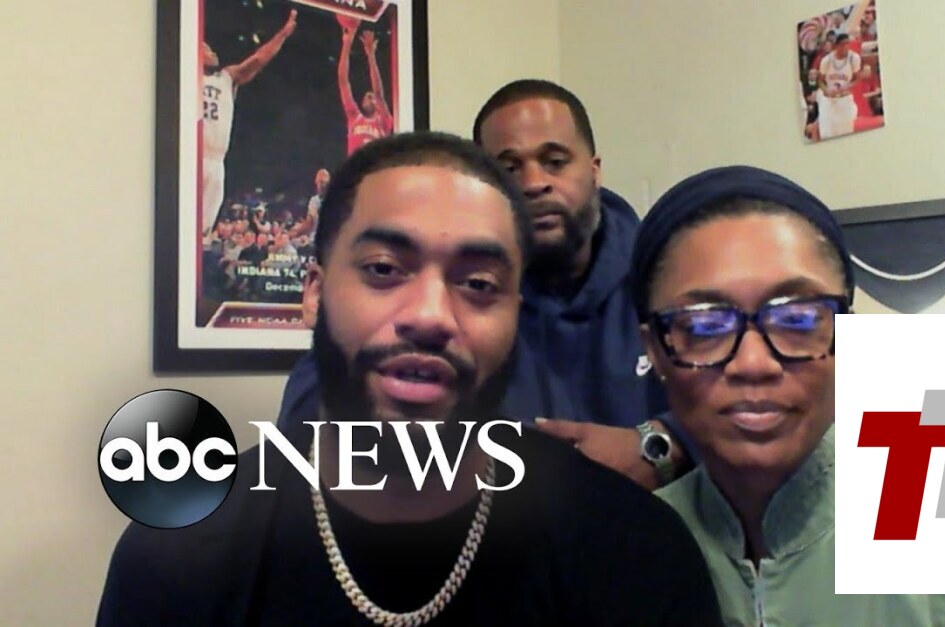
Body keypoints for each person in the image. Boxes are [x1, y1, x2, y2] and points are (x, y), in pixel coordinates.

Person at [97, 132, 722, 626]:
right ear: (313, 294)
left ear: (515, 317)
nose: (430, 316)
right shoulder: (181, 553)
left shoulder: (630, 547)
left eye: (478, 284)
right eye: (383, 269)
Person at [629, 165, 945, 626]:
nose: (754, 363)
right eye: (704, 325)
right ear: (655, 350)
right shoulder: (629, 542)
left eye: (797, 318)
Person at [278, 80, 689, 491]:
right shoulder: (445, 293)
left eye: (555, 161)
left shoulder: (670, 276)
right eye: (509, 168)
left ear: (594, 171)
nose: (534, 183)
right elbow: (322, 398)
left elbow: (726, 390)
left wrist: (663, 443)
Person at [201, 9, 298, 240]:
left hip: (216, 161)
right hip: (191, 155)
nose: (213, 52)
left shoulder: (226, 77)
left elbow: (257, 60)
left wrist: (283, 34)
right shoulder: (185, 77)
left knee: (202, 232)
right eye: (207, 48)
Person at [337, 19, 394, 155]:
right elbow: (343, 81)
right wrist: (347, 43)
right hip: (356, 166)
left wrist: (371, 55)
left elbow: (378, 94)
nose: (369, 98)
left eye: (371, 97)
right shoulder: (354, 117)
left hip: (374, 166)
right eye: (366, 97)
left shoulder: (384, 121)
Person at [816, 33, 862, 139]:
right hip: (829, 100)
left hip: (845, 99)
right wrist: (826, 90)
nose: (846, 47)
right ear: (836, 46)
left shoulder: (854, 58)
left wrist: (847, 86)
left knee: (846, 133)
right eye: (842, 44)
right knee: (827, 134)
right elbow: (820, 80)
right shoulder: (827, 60)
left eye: (847, 44)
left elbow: (857, 78)